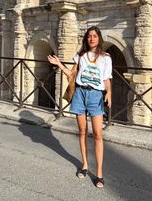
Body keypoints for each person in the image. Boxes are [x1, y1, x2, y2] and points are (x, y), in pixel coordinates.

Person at [47, 26, 112, 188]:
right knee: (82, 131)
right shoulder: (80, 56)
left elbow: (106, 79)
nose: (92, 39)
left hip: (96, 95)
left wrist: (109, 92)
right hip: (80, 95)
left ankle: (99, 174)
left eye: (95, 36)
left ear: (99, 38)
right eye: (89, 36)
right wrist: (58, 64)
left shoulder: (106, 57)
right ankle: (84, 165)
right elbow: (71, 74)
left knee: (98, 134)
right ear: (86, 38)